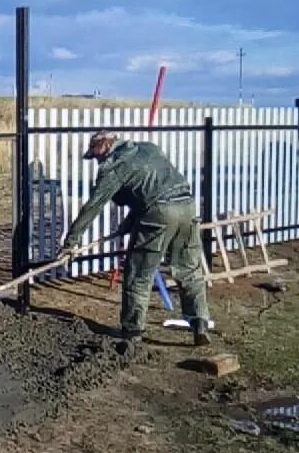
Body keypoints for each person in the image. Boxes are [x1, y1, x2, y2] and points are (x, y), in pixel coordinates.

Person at [58, 131, 212, 347]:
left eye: (96, 157)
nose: (98, 162)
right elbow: (149, 190)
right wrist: (128, 224)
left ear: (103, 149)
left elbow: (93, 206)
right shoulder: (148, 148)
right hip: (187, 205)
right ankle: (200, 323)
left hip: (159, 214)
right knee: (190, 270)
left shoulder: (113, 167)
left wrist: (70, 242)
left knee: (139, 274)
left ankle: (132, 331)